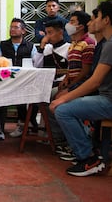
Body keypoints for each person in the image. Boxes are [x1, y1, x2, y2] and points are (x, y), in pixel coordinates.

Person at [50, 0, 112, 177]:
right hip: (106, 97)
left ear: (106, 20)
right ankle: (85, 150)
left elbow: (94, 81)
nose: (90, 22)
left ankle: (88, 158)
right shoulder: (108, 43)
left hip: (110, 101)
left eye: (97, 17)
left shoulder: (110, 44)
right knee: (63, 105)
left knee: (63, 110)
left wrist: (64, 98)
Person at [0, 18, 37, 138]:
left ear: (23, 31)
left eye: (16, 27)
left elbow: (35, 62)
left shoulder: (30, 46)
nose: (12, 30)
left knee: (32, 98)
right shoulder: (3, 45)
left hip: (25, 80)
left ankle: (25, 123)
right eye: (11, 27)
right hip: (6, 80)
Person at [32, 20, 70, 148]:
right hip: (47, 83)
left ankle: (58, 137)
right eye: (46, 33)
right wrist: (42, 46)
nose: (47, 36)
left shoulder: (69, 48)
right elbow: (37, 65)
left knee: (48, 99)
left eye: (50, 33)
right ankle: (45, 132)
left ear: (60, 32)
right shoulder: (47, 48)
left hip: (62, 85)